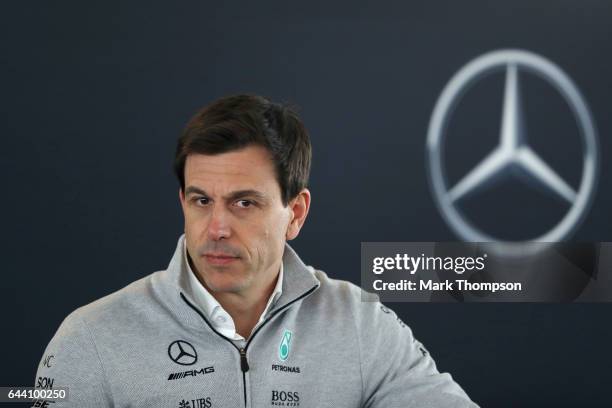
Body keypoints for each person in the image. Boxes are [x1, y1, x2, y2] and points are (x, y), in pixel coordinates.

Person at [33, 95, 479, 407]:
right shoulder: (90, 338)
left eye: (245, 203)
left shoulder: (360, 323)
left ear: (296, 213)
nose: (218, 228)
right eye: (202, 201)